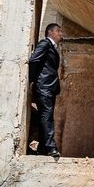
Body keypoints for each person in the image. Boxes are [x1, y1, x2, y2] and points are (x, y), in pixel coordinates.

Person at [29, 23, 63, 157]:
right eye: (58, 31)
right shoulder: (44, 44)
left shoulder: (52, 47)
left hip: (50, 87)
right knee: (46, 116)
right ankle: (50, 147)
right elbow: (33, 61)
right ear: (50, 32)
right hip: (44, 86)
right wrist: (32, 81)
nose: (61, 34)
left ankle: (43, 149)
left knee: (46, 116)